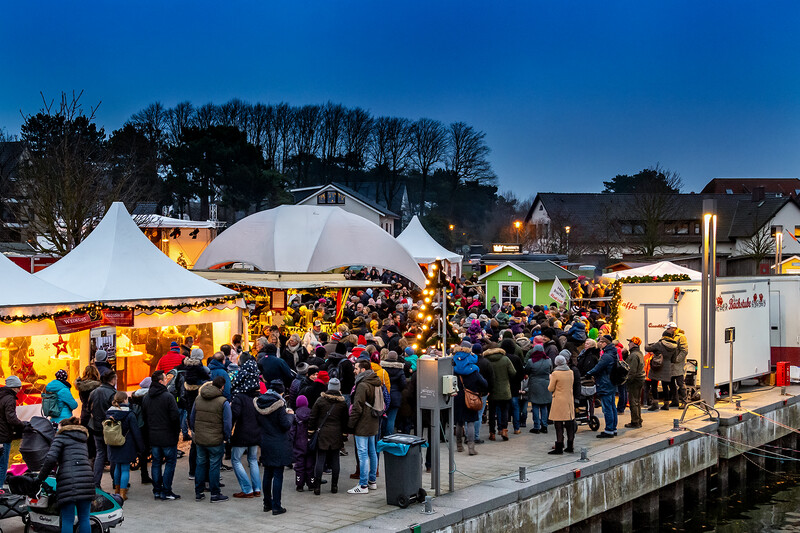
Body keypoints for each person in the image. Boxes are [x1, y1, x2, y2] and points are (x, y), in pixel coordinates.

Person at [36, 417, 95, 533]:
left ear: (62, 427)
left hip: (68, 481)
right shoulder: (82, 438)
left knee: (68, 519)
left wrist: (40, 478)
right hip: (86, 480)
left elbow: (50, 459)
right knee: (84, 518)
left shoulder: (61, 437)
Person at [190, 376, 232, 502]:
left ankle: (199, 492)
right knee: (214, 465)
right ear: (222, 387)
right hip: (215, 439)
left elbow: (192, 419)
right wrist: (226, 437)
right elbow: (227, 423)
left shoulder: (198, 399)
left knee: (200, 464)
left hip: (200, 439)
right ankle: (215, 493)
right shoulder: (223, 402)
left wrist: (196, 432)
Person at [255, 379, 294, 515]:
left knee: (267, 473)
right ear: (281, 391)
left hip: (265, 440)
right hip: (278, 442)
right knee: (278, 474)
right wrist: (291, 416)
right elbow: (285, 425)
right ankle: (276, 506)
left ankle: (267, 503)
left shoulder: (260, 402)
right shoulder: (279, 405)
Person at [142, 371, 181, 501]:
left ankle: (157, 490)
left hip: (153, 436)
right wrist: (176, 433)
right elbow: (175, 417)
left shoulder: (147, 397)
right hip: (168, 436)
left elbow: (145, 417)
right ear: (160, 381)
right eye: (165, 378)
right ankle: (166, 490)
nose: (167, 380)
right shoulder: (168, 397)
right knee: (170, 462)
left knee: (156, 462)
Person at [309, 378, 349, 494]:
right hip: (336, 434)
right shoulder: (342, 403)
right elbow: (345, 420)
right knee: (335, 460)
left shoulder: (320, 400)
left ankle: (317, 487)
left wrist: (310, 431)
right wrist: (344, 434)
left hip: (322, 433)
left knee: (320, 459)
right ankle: (334, 486)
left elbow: (313, 417)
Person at [347, 360, 381, 494]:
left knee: (362, 454)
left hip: (363, 422)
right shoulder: (376, 381)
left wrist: (351, 424)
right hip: (373, 421)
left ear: (362, 370)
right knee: (372, 452)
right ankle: (372, 481)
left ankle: (363, 485)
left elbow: (357, 407)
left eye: (356, 368)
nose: (354, 370)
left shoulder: (362, 385)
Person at [230, 367, 262, 499]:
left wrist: (228, 431)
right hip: (256, 433)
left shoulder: (239, 397)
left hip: (242, 434)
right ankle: (257, 488)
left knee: (236, 459)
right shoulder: (258, 398)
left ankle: (247, 489)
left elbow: (234, 415)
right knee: (253, 460)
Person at [105, 391, 143, 500]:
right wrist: (141, 446)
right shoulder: (129, 414)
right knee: (125, 468)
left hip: (113, 443)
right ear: (125, 400)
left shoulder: (109, 413)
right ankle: (122, 493)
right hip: (126, 443)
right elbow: (136, 431)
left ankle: (117, 490)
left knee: (117, 466)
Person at [452, 347, 488, 456]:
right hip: (471, 397)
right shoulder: (474, 370)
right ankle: (471, 448)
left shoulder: (453, 369)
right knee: (471, 422)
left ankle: (459, 446)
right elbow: (484, 384)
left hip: (457, 397)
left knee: (459, 422)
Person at [88, 370, 117, 487]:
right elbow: (116, 411)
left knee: (100, 454)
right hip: (109, 426)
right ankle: (116, 481)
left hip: (96, 426)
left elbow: (88, 408)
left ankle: (96, 482)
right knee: (113, 454)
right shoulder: (112, 393)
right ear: (113, 380)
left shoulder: (94, 392)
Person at [586, 335, 619, 438]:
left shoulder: (606, 356)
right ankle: (613, 428)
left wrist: (588, 373)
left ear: (605, 343)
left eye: (600, 342)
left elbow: (598, 368)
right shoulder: (613, 353)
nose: (599, 343)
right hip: (611, 382)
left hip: (605, 383)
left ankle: (609, 430)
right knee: (612, 406)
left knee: (607, 408)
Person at [484, 347, 516, 441]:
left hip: (492, 390)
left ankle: (492, 433)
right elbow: (513, 372)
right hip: (504, 389)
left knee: (492, 412)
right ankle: (504, 430)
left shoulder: (486, 360)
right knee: (504, 411)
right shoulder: (505, 359)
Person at [547, 354, 576, 455]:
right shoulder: (570, 372)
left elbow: (550, 388)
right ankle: (570, 446)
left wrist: (550, 378)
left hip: (559, 400)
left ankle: (559, 447)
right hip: (569, 400)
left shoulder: (555, 374)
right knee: (569, 424)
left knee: (558, 424)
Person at [0, 376, 24, 492]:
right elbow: (11, 418)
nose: (20, 390)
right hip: (3, 435)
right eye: (19, 387)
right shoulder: (9, 399)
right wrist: (23, 425)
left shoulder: (1, 395)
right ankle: (0, 488)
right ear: (15, 387)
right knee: (3, 463)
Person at [645, 329, 679, 411]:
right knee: (665, 386)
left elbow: (647, 348)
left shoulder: (659, 344)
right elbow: (674, 359)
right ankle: (666, 404)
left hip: (657, 366)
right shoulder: (674, 346)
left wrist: (651, 345)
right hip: (667, 367)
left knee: (653, 385)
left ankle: (655, 404)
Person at [75, 366, 101, 461]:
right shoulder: (98, 386)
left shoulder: (81, 386)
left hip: (84, 413)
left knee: (86, 436)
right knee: (96, 437)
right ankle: (96, 458)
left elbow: (83, 400)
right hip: (94, 413)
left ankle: (88, 457)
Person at [525, 345, 553, 434]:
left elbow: (526, 371)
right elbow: (551, 370)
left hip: (534, 384)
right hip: (546, 384)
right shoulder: (548, 360)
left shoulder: (531, 361)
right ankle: (544, 425)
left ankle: (536, 426)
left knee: (535, 405)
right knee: (544, 406)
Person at [290, 395, 314, 492]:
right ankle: (311, 484)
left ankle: (299, 485)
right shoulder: (312, 414)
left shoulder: (295, 416)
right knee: (310, 465)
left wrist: (291, 443)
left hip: (298, 444)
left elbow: (292, 432)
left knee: (299, 465)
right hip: (310, 443)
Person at [379, 351, 406, 435]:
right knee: (391, 419)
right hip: (395, 396)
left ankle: (383, 436)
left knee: (383, 416)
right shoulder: (400, 370)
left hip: (383, 395)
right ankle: (389, 436)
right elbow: (403, 384)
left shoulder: (382, 368)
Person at [624, 337, 646, 429]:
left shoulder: (633, 356)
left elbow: (632, 371)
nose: (628, 344)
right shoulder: (639, 353)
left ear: (634, 344)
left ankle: (635, 421)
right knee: (637, 401)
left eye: (630, 342)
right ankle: (638, 419)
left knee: (633, 401)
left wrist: (626, 380)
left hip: (635, 380)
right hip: (640, 379)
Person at [668, 323, 689, 408]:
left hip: (678, 365)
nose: (666, 330)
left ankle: (685, 401)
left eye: (668, 328)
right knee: (671, 383)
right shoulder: (670, 337)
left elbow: (684, 350)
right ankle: (675, 401)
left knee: (681, 383)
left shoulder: (681, 337)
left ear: (673, 328)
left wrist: (677, 360)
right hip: (671, 365)